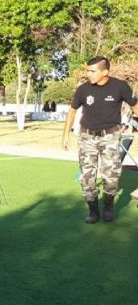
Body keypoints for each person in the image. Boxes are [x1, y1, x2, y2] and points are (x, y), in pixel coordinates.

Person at [62, 56, 138, 223]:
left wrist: (135, 121)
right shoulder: (83, 89)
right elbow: (72, 111)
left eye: (92, 71)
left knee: (111, 177)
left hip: (110, 136)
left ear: (105, 71)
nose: (88, 74)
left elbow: (135, 106)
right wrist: (66, 134)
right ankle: (93, 211)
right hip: (86, 137)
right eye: (87, 71)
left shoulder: (120, 87)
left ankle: (109, 206)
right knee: (87, 177)